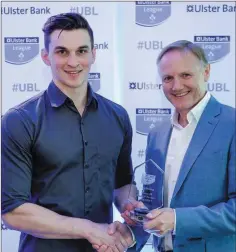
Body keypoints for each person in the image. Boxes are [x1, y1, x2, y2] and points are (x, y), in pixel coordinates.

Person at [1, 13, 136, 252]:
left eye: (82, 51)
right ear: (46, 57)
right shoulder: (19, 120)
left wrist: (130, 210)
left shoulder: (118, 116)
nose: (73, 62)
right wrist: (87, 228)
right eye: (62, 52)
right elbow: (12, 210)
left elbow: (122, 185)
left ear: (94, 54)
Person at [123, 40, 236, 252]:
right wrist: (134, 224)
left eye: (186, 75)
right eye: (168, 78)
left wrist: (177, 220)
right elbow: (153, 206)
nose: (176, 86)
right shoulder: (157, 134)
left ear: (207, 72)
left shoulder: (232, 125)